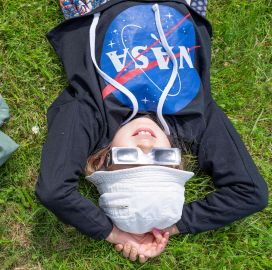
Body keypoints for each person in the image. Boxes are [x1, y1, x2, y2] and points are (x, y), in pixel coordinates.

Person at [36, 0, 268, 263]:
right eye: (162, 158)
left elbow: (54, 191)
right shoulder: (194, 122)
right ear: (178, 162)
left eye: (128, 157)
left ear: (103, 159)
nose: (146, 145)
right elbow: (251, 193)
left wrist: (113, 233)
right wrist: (169, 228)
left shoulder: (92, 114)